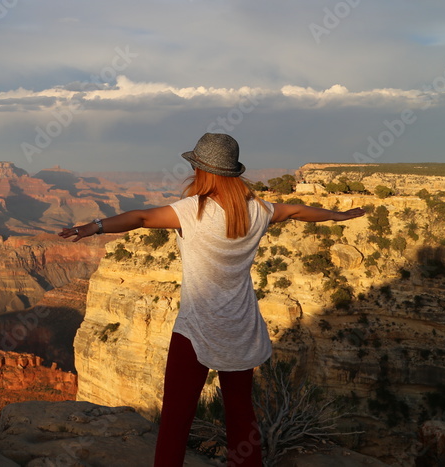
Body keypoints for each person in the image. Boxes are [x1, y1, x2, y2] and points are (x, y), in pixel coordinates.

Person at [59, 133, 365, 467]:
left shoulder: (192, 211)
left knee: (176, 418)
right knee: (241, 415)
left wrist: (97, 226)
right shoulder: (259, 210)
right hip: (241, 325)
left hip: (197, 325)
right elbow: (297, 211)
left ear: (203, 171)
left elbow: (142, 218)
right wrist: (337, 216)